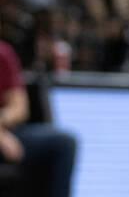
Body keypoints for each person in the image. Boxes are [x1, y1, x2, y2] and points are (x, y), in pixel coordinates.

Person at [0, 39, 78, 197]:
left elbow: (19, 108)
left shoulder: (3, 53)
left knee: (63, 143)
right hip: (3, 137)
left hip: (8, 132)